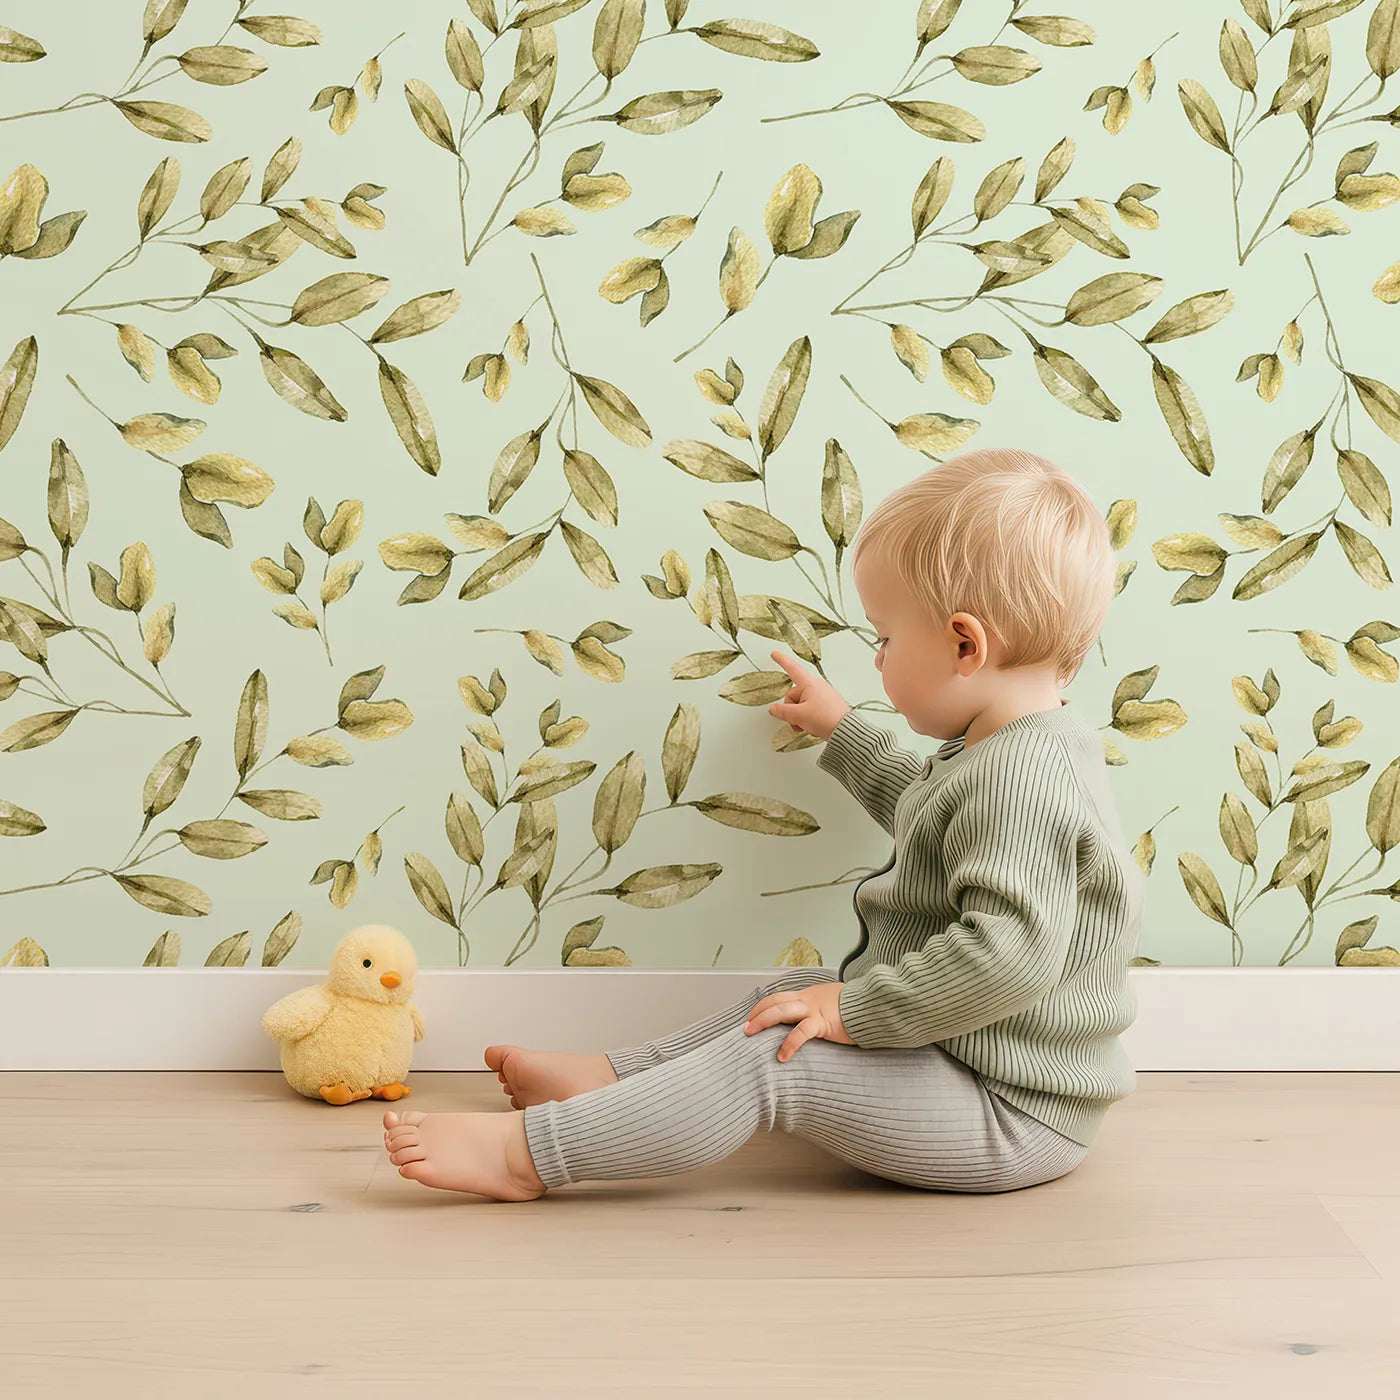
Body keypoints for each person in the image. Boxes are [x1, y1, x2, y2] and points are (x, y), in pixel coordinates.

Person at [381, 447, 1144, 1201]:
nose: (877, 658)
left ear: (965, 644)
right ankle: (612, 1083)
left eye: (884, 637)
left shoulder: (1021, 776)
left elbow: (1007, 958)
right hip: (968, 1060)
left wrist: (855, 1009)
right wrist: (845, 732)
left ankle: (530, 1159)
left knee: (784, 1053)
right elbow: (930, 819)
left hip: (1008, 1109)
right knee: (793, 992)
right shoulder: (1009, 747)